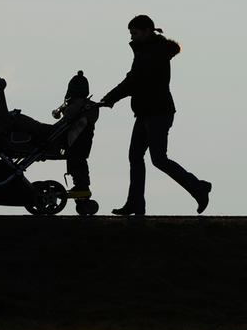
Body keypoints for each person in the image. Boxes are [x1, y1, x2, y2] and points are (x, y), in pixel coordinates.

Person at [100, 15, 211, 216]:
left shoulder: (153, 53)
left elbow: (134, 80)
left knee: (158, 159)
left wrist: (110, 98)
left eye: (134, 33)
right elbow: (133, 79)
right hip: (145, 112)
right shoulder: (146, 51)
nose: (132, 37)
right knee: (136, 156)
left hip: (158, 112)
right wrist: (110, 98)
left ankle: (198, 188)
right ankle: (135, 203)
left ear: (147, 31)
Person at [52, 71, 99, 200]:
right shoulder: (90, 106)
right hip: (83, 141)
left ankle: (82, 187)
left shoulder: (76, 106)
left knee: (76, 162)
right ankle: (81, 186)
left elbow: (66, 120)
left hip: (76, 140)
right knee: (78, 162)